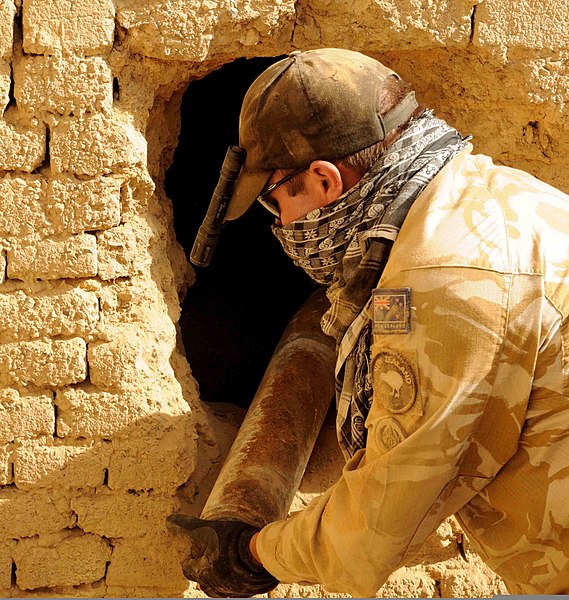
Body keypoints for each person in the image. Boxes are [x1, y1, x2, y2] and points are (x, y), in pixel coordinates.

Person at [168, 47, 569, 597]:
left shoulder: (442, 283)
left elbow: (379, 522)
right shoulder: (494, 195)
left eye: (274, 201)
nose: (281, 225)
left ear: (325, 180)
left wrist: (249, 552)